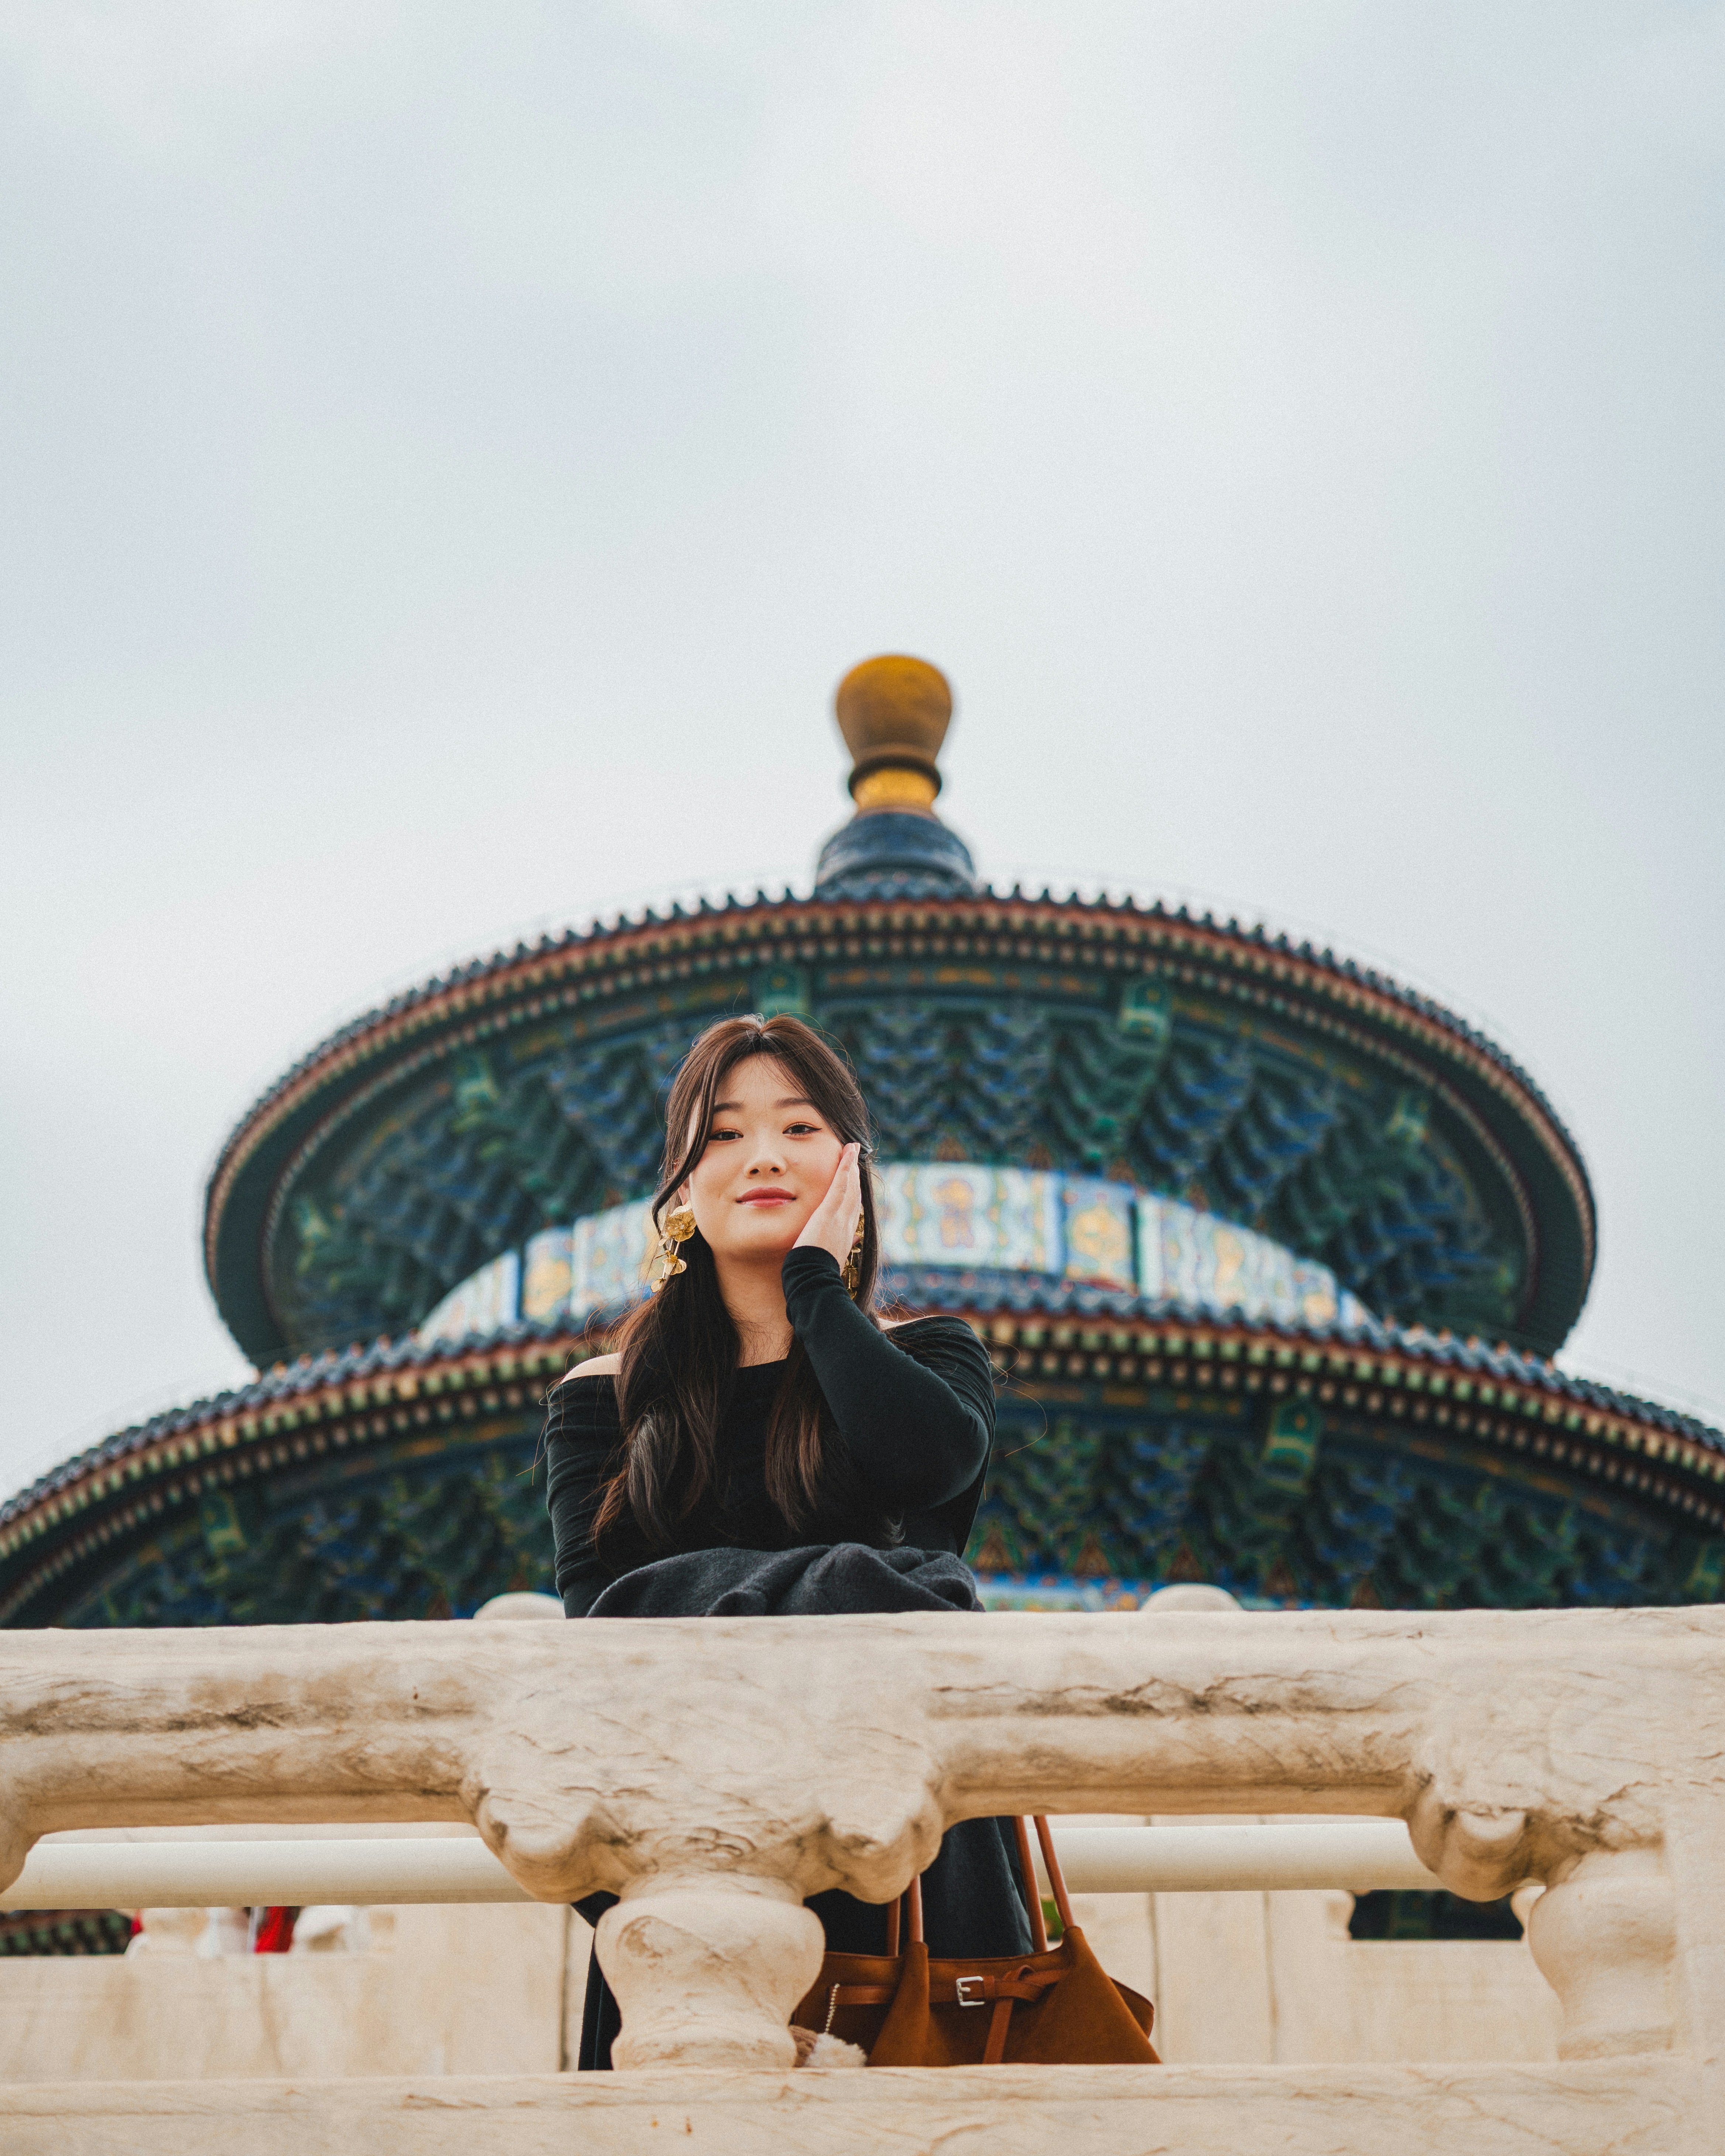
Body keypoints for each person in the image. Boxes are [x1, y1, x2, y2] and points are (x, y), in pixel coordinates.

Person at [541, 1013, 1033, 2069]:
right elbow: (603, 1636)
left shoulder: (932, 1359)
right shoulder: (602, 1401)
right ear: (681, 1187)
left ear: (852, 1170)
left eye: (799, 1128)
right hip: (686, 1869)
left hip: (904, 1868)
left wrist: (814, 1284)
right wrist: (849, 1584)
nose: (762, 1155)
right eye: (723, 1134)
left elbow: (927, 1472)